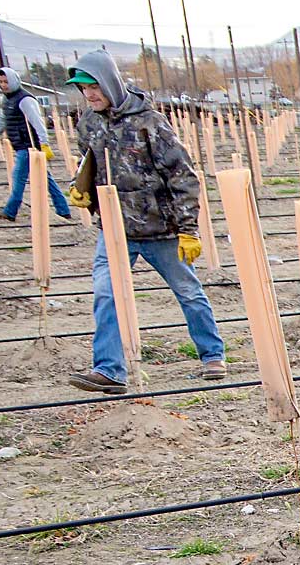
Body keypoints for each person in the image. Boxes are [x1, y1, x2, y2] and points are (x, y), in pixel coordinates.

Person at [64, 51, 226, 395]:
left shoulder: (150, 123)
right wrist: (83, 191)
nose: (89, 95)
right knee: (106, 294)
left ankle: (212, 355)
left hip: (160, 228)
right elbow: (90, 164)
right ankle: (109, 370)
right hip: (114, 228)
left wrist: (188, 230)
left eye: (94, 86)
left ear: (109, 82)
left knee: (188, 291)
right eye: (83, 89)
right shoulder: (89, 123)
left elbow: (182, 176)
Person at [0, 68, 71, 223]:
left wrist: (44, 143)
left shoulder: (25, 100)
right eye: (1, 82)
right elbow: (3, 120)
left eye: (6, 81)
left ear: (14, 80)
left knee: (18, 177)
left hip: (29, 146)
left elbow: (37, 122)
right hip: (21, 144)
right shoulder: (8, 100)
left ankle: (10, 211)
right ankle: (63, 209)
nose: (4, 85)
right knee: (47, 179)